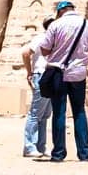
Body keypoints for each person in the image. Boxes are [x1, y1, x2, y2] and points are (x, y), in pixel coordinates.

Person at [35, 0, 88, 163]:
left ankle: (58, 153)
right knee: (79, 112)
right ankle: (84, 153)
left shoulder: (55, 25)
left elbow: (44, 49)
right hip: (78, 73)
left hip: (58, 73)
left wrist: (59, 50)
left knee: (59, 113)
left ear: (60, 12)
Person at [17, 15, 55, 158]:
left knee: (44, 114)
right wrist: (30, 72)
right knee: (35, 113)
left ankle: (41, 145)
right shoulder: (42, 38)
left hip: (51, 76)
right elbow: (26, 53)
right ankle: (29, 146)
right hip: (42, 75)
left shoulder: (55, 39)